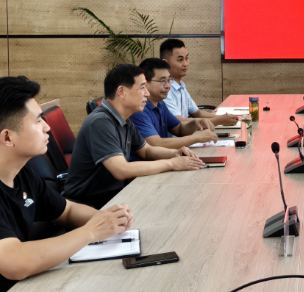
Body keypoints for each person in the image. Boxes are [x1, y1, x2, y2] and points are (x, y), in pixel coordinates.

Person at [0, 76, 135, 291]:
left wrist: (108, 220)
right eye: (38, 121)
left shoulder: (20, 171)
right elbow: (15, 262)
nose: (47, 127)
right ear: (8, 138)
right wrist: (91, 231)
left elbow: (66, 210)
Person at [63, 64, 205, 209]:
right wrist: (171, 163)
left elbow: (146, 151)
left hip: (114, 196)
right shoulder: (100, 122)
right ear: (121, 92)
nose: (147, 93)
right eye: (142, 88)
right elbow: (122, 170)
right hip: (89, 205)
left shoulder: (124, 118)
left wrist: (175, 154)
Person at [130, 58, 219, 149]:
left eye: (169, 80)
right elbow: (156, 144)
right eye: (162, 81)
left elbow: (179, 129)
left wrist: (196, 122)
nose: (168, 86)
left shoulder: (160, 104)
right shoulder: (138, 110)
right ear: (145, 83)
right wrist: (197, 138)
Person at [160, 39, 237, 126]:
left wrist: (222, 118)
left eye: (187, 58)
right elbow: (179, 122)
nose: (185, 64)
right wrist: (219, 120)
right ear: (165, 63)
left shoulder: (180, 85)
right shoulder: (165, 90)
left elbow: (197, 113)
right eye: (180, 60)